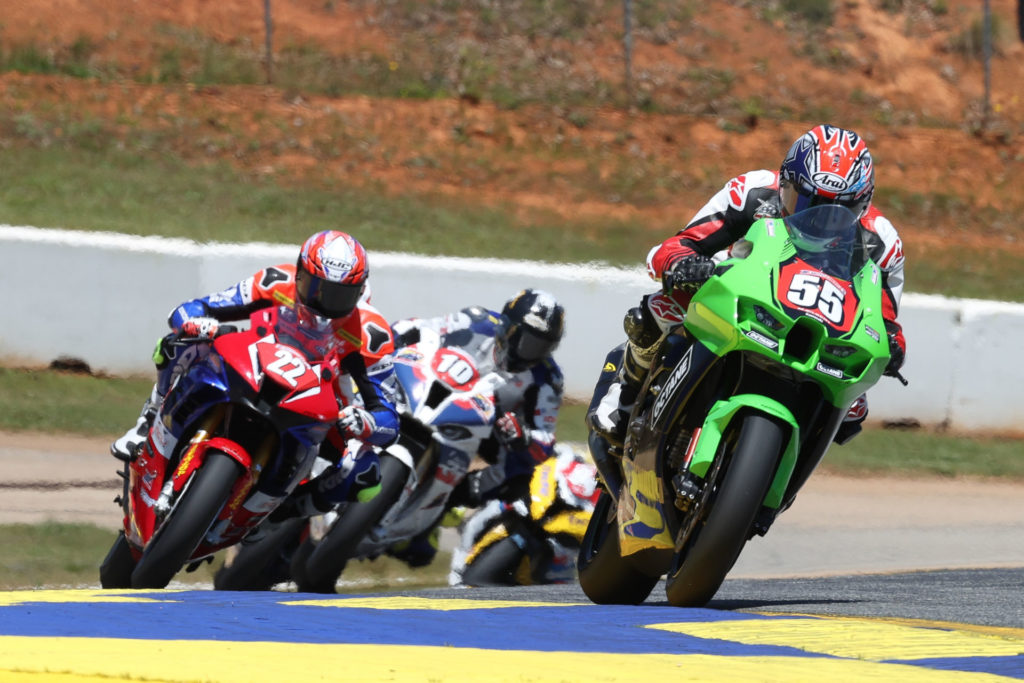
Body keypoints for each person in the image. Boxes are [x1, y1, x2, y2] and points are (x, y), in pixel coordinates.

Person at [588, 124, 907, 452]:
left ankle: (785, 465)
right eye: (805, 202)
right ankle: (626, 393)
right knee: (664, 306)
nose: (817, 221)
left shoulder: (880, 243)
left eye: (836, 212)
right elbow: (677, 245)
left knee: (853, 409)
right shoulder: (751, 191)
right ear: (785, 182)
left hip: (816, 336)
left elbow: (884, 321)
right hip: (741, 302)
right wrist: (684, 264)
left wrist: (894, 346)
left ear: (862, 206)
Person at [110, 230, 401, 518]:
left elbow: (389, 419)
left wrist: (365, 423)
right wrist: (198, 324)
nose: (323, 302)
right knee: (177, 345)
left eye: (339, 296)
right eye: (315, 287)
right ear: (299, 273)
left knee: (364, 472)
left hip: (319, 408)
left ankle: (284, 515)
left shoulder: (371, 334)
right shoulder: (275, 282)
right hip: (254, 369)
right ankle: (148, 419)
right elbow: (195, 308)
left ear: (361, 292)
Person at [385, 288, 566, 566]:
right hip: (431, 392)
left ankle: (431, 515)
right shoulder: (475, 320)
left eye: (542, 346)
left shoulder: (547, 378)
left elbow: (545, 440)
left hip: (483, 432)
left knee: (521, 474)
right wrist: (396, 336)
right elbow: (424, 327)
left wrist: (523, 436)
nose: (532, 352)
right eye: (528, 341)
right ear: (508, 328)